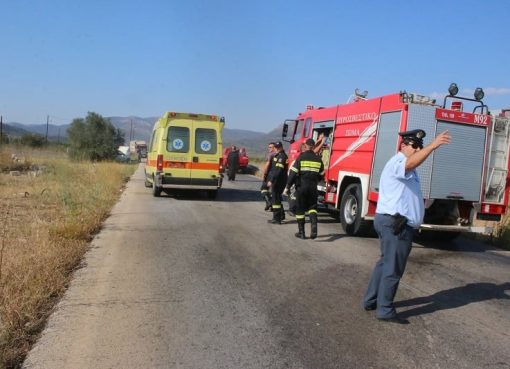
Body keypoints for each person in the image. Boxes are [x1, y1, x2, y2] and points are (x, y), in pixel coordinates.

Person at [362, 129, 451, 324]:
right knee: (393, 268)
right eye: (414, 145)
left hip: (393, 222)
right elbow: (411, 162)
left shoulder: (407, 167)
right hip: (396, 224)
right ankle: (384, 309)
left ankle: (371, 300)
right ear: (403, 145)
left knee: (385, 263)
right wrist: (433, 145)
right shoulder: (399, 161)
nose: (418, 149)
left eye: (419, 146)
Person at [286, 138, 324, 239]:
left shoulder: (301, 158)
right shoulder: (318, 159)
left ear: (306, 146)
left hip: (301, 187)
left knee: (300, 209)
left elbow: (293, 173)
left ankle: (301, 233)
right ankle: (314, 228)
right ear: (314, 147)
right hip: (313, 188)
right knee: (312, 208)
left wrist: (288, 187)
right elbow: (321, 175)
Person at [266, 141, 288, 224]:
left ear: (281, 147)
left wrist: (271, 180)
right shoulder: (278, 155)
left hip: (279, 181)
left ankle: (277, 219)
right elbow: (274, 169)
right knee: (276, 199)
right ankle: (278, 217)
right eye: (276, 147)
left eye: (278, 147)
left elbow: (278, 171)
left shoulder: (282, 156)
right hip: (277, 180)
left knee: (276, 200)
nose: (276, 149)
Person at [261, 142, 276, 211]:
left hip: (269, 175)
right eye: (269, 147)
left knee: (263, 188)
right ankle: (270, 205)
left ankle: (269, 202)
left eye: (270, 147)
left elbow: (267, 164)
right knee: (273, 191)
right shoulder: (278, 155)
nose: (269, 148)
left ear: (274, 147)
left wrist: (264, 173)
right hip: (276, 175)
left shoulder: (270, 155)